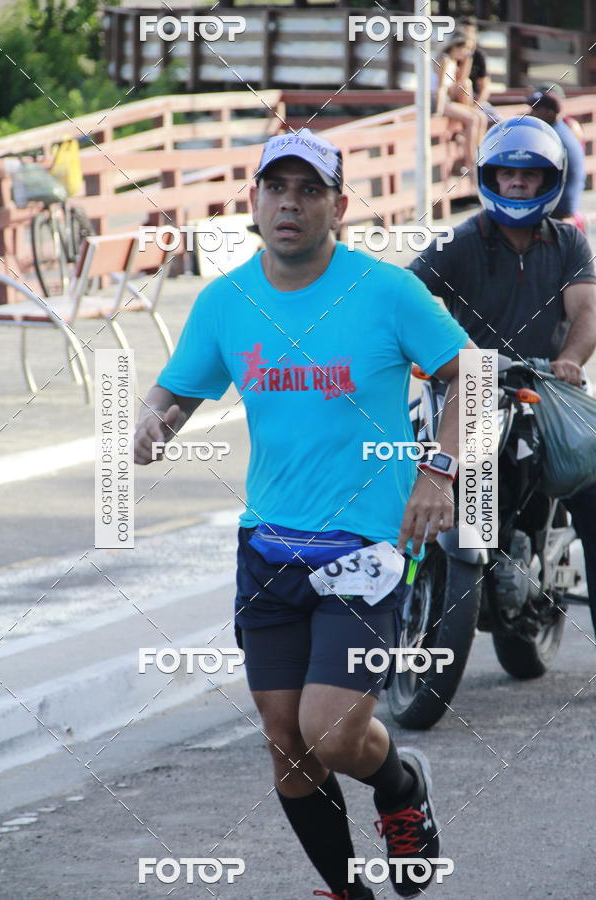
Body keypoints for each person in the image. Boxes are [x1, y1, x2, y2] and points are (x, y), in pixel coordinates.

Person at [134, 128, 474, 899]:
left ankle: (400, 786)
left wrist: (438, 472)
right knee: (286, 742)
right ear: (254, 201)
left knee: (331, 731)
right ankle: (348, 891)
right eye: (276, 188)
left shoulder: (386, 292)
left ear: (339, 207)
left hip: (366, 548)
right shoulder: (225, 301)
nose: (290, 203)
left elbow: (472, 377)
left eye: (309, 190)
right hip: (268, 547)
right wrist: (152, 420)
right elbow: (176, 388)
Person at [408, 116, 596, 636]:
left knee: (592, 492)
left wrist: (571, 359)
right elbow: (406, 297)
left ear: (548, 180)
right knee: (392, 473)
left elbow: (586, 310)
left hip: (543, 388)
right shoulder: (459, 241)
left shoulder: (569, 243)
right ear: (489, 177)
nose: (516, 183)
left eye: (529, 174)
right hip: (468, 388)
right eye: (507, 173)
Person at [526, 89, 586, 230]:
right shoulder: (562, 129)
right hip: (568, 201)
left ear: (549, 113)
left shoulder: (552, 137)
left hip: (559, 206)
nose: (530, 114)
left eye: (535, 110)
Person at [432, 31, 487, 178]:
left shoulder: (453, 62)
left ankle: (478, 156)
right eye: (465, 49)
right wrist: (438, 110)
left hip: (447, 101)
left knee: (481, 117)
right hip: (439, 101)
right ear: (455, 47)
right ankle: (470, 164)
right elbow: (440, 88)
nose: (467, 53)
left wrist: (467, 62)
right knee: (472, 119)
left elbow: (461, 83)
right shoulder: (444, 60)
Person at [458, 15, 501, 124]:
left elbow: (484, 87)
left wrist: (476, 105)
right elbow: (458, 83)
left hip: (475, 98)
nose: (467, 36)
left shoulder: (479, 56)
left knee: (496, 119)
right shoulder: (454, 55)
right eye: (464, 32)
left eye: (470, 32)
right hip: (458, 98)